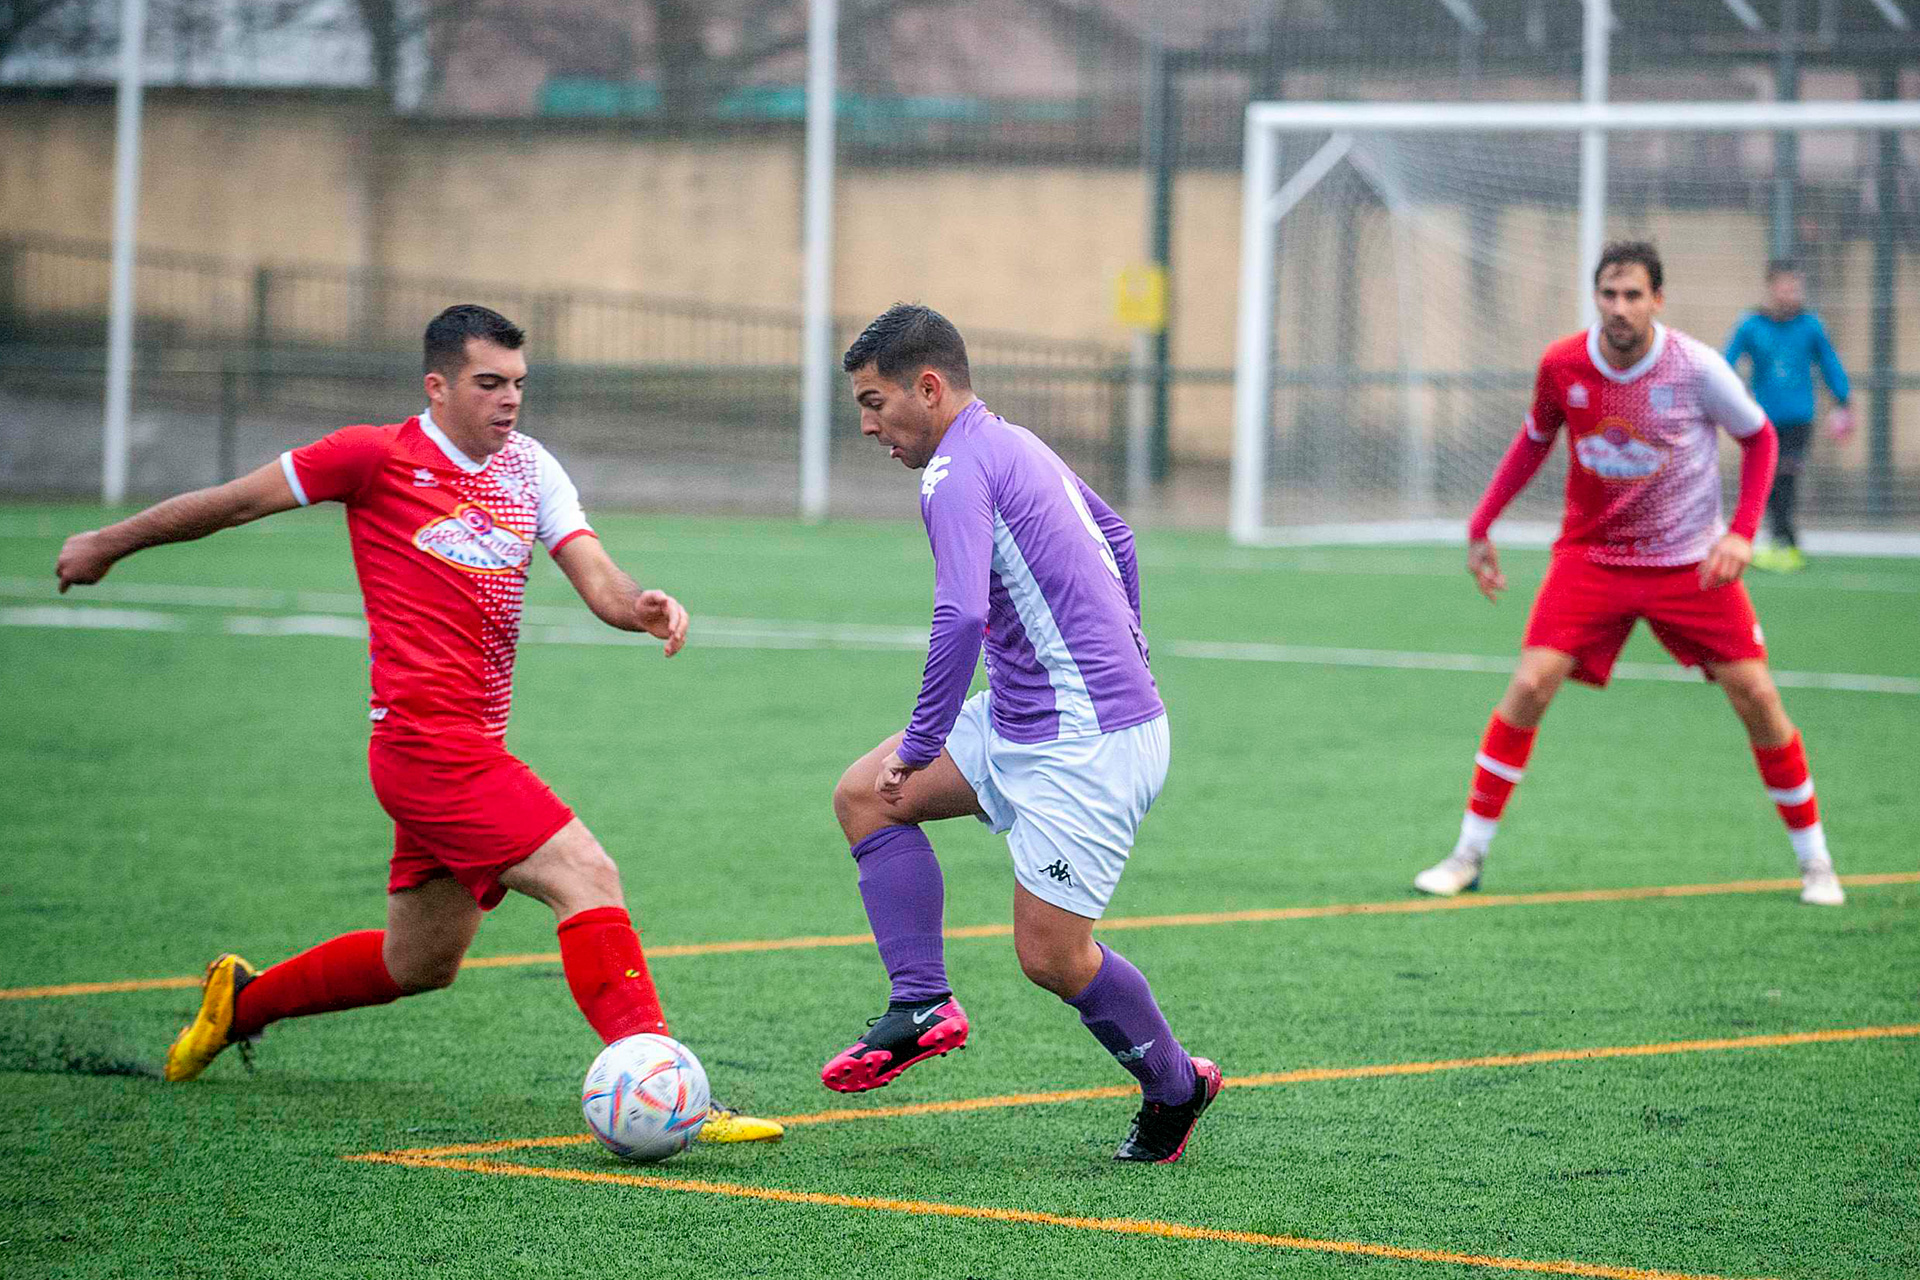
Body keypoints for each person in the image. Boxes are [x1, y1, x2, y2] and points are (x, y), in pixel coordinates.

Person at [54, 304, 784, 1141]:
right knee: (586, 873)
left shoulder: (531, 469)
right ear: (436, 386)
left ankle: (241, 1003)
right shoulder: (373, 456)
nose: (509, 400)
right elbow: (231, 503)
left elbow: (600, 581)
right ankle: (668, 1085)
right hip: (424, 745)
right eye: (489, 383)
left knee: (420, 963)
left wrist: (640, 607)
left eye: (518, 383)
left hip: (467, 747)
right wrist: (109, 542)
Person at [821, 303, 1220, 1165]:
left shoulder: (953, 473)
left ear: (929, 388)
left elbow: (961, 613)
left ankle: (1177, 1087)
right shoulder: (1013, 440)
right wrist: (1132, 645)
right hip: (1027, 716)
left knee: (1050, 955)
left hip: (1086, 744)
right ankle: (921, 1005)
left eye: (875, 401)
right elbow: (1117, 532)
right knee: (863, 797)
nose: (867, 424)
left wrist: (922, 744)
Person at [1413, 242, 1844, 908]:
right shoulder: (1562, 364)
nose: (1619, 308)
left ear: (1657, 300)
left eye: (1633, 295)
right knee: (1529, 684)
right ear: (1597, 298)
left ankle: (1815, 861)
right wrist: (1481, 524)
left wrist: (1740, 536)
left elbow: (1760, 439)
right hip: (1592, 559)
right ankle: (1467, 854)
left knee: (1757, 697)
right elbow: (1534, 439)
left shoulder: (1696, 367)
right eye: (1609, 294)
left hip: (1687, 566)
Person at [1724, 260, 1853, 573]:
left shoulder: (1810, 325)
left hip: (1799, 418)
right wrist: (1722, 397)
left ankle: (1786, 543)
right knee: (1766, 479)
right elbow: (1725, 362)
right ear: (1771, 287)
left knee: (1786, 476)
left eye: (1795, 287)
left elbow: (1829, 363)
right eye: (1784, 286)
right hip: (1762, 420)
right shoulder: (1751, 324)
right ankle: (1783, 542)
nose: (1790, 293)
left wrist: (1843, 401)